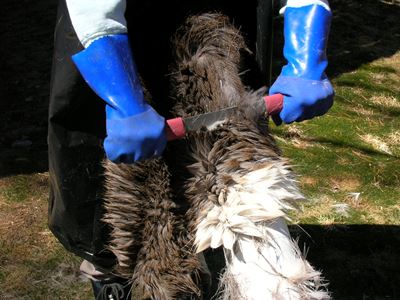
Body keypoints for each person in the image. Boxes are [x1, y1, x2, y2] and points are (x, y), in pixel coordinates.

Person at [48, 0, 334, 299]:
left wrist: (308, 60)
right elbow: (94, 11)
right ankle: (112, 272)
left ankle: (264, 272)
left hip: (221, 30)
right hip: (111, 33)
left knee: (243, 171)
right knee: (107, 192)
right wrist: (122, 99)